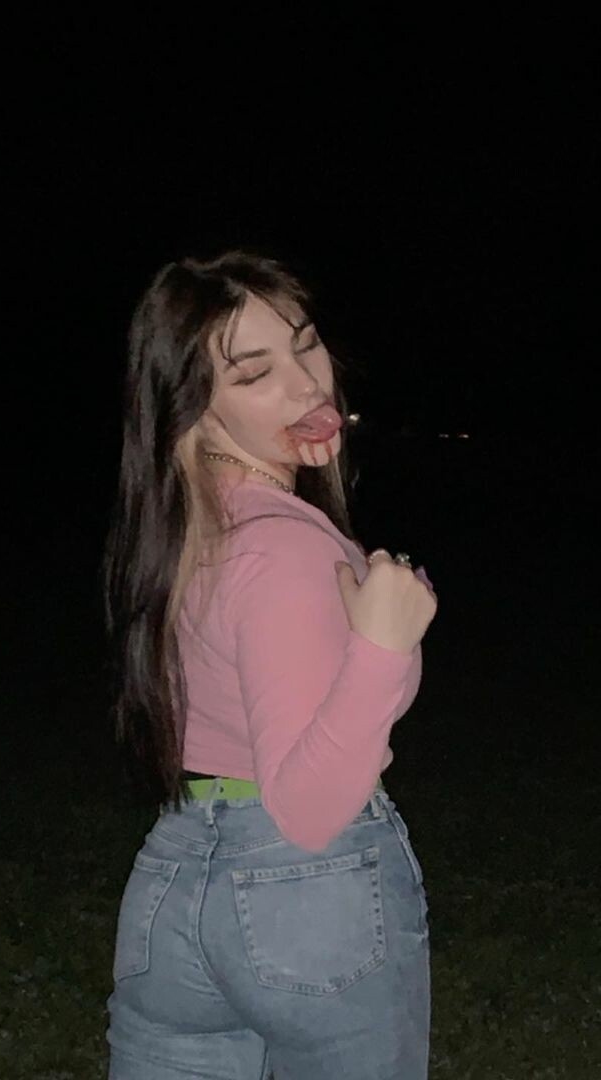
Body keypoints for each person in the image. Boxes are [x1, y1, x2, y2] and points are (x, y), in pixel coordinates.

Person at [100, 250, 438, 1079]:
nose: (307, 384)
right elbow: (309, 808)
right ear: (193, 407)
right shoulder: (282, 547)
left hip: (178, 875)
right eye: (255, 374)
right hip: (306, 897)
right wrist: (384, 645)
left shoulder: (186, 535)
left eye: (306, 343)